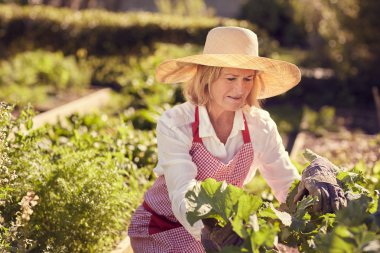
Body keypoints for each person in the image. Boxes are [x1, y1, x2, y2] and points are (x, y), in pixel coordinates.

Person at [128, 26, 346, 253]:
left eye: (247, 79)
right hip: (164, 229)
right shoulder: (176, 123)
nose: (240, 88)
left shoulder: (259, 125)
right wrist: (215, 231)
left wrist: (309, 197)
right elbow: (183, 192)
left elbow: (284, 183)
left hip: (225, 231)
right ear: (207, 77)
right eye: (230, 78)